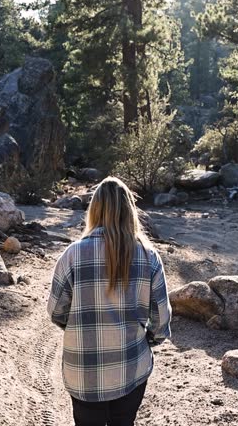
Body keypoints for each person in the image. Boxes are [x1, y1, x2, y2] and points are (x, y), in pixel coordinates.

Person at [47, 177, 172, 426]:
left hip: (83, 372)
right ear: (129, 211)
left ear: (95, 209)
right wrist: (150, 340)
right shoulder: (148, 256)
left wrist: (80, 328)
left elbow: (56, 311)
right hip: (130, 368)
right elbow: (161, 317)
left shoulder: (72, 255)